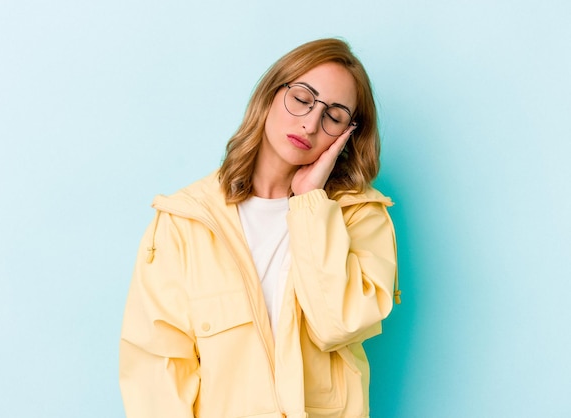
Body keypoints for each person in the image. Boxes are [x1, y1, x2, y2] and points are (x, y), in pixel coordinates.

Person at [119, 38, 400, 418]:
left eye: (333, 116)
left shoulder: (360, 216)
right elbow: (157, 369)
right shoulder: (185, 221)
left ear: (348, 134)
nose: (311, 123)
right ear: (270, 94)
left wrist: (309, 203)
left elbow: (338, 324)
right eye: (302, 99)